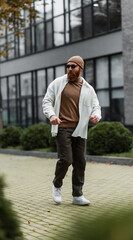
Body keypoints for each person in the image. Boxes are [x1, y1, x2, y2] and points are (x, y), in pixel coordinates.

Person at [42, 56, 101, 205]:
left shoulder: (88, 88)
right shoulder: (58, 83)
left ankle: (77, 195)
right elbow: (47, 101)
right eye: (67, 66)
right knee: (66, 159)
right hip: (62, 127)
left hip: (80, 129)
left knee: (80, 162)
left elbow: (96, 106)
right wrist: (52, 115)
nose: (69, 69)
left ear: (80, 68)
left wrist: (96, 116)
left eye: (73, 66)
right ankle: (57, 184)